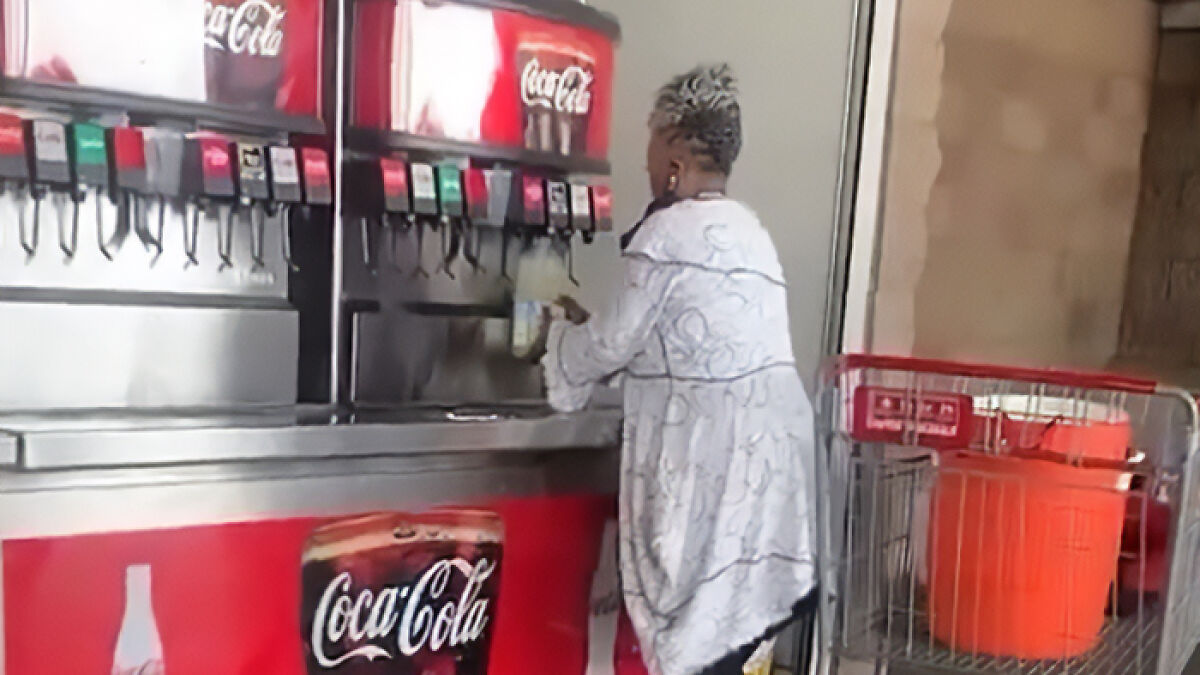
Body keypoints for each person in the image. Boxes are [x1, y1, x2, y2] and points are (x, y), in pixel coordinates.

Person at [536, 64, 817, 675]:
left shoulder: (667, 233)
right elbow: (687, 340)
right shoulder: (751, 233)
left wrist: (554, 342)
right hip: (771, 485)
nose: (646, 168)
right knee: (737, 648)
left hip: (711, 479)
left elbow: (611, 345)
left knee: (700, 645)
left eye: (651, 150)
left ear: (674, 162)